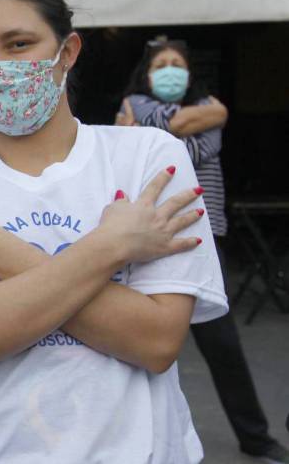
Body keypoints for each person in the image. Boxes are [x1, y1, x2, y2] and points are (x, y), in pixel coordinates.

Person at [0, 0, 227, 464]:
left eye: (19, 44)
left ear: (67, 52)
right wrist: (111, 247)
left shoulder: (151, 157)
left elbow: (155, 341)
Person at [118, 38, 289, 464]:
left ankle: (256, 437)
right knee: (132, 345)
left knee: (224, 346)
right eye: (162, 64)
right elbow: (149, 154)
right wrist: (197, 120)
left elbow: (188, 154)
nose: (171, 70)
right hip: (144, 240)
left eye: (178, 64)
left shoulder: (174, 109)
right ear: (146, 73)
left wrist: (144, 133)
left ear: (191, 74)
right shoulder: (135, 100)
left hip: (203, 237)